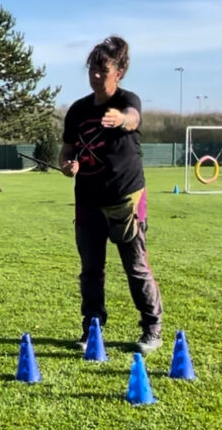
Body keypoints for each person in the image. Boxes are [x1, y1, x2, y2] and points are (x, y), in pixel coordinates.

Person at [60, 36, 163, 353]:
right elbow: (66, 150)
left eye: (102, 70)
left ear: (118, 72)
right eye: (92, 69)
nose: (95, 76)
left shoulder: (128, 100)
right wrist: (66, 165)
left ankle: (152, 329)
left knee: (135, 267)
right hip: (87, 201)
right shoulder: (77, 110)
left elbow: (133, 118)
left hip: (125, 199)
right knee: (91, 270)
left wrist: (121, 119)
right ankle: (92, 328)